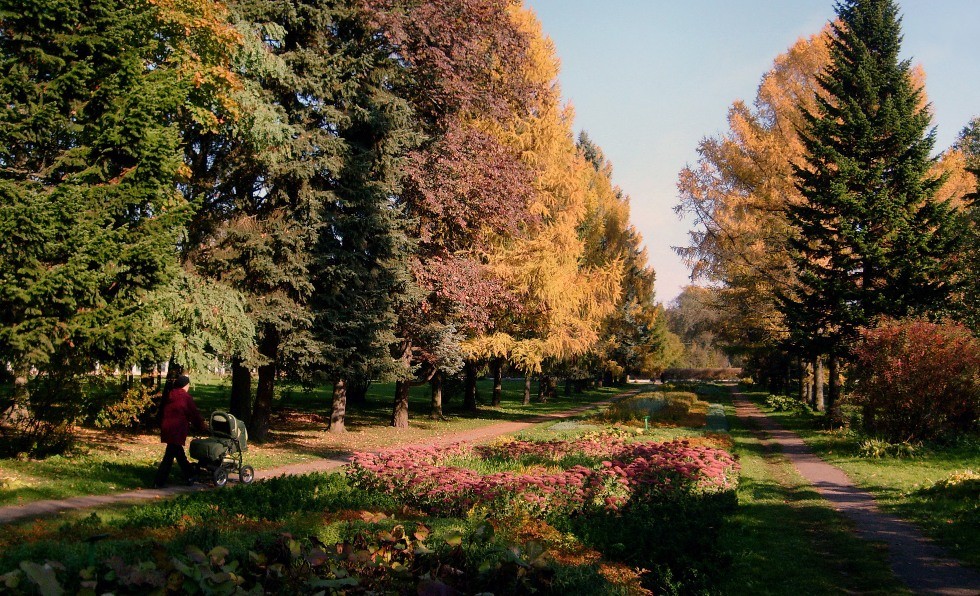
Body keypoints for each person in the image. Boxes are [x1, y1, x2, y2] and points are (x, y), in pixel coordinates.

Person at [153, 375, 206, 488]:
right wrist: (202, 427)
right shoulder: (185, 397)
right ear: (185, 385)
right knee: (170, 457)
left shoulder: (170, 394)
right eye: (188, 385)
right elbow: (194, 414)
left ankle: (190, 475)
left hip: (167, 428)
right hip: (177, 429)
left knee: (177, 454)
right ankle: (159, 482)